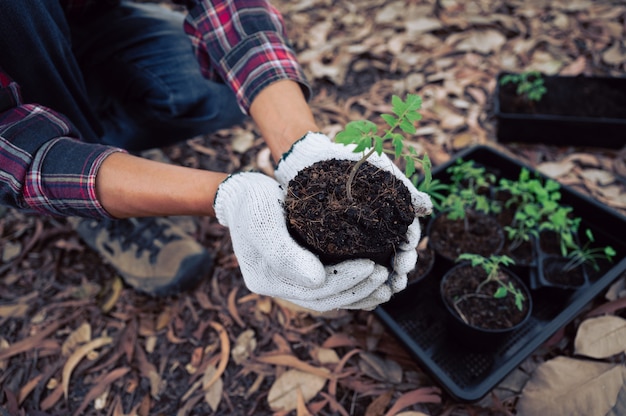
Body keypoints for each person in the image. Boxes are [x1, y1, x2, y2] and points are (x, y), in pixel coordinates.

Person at [0, 0, 432, 312]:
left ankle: (101, 137)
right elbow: (14, 150)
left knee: (215, 92)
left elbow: (229, 8)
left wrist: (299, 143)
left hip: (87, 19)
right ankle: (95, 191)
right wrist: (228, 195)